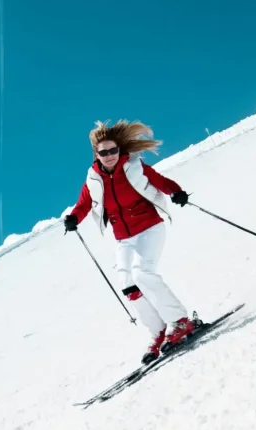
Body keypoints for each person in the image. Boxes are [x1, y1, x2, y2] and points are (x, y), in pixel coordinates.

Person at [64, 120, 195, 364]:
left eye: (113, 150)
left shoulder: (134, 167)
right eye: (104, 152)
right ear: (97, 154)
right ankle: (158, 332)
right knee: (128, 284)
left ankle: (180, 321)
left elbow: (160, 181)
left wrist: (175, 192)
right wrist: (73, 218)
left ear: (119, 150)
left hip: (149, 228)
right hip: (124, 238)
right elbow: (84, 203)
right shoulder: (94, 179)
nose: (110, 155)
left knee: (143, 273)